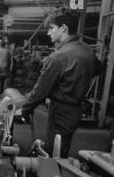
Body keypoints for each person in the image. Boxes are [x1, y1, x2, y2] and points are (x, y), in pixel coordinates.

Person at [20, 11, 99, 157]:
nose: (49, 32)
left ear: (63, 28)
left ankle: (52, 175)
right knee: (62, 145)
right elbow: (97, 71)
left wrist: (24, 108)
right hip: (76, 109)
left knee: (53, 150)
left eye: (51, 28)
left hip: (61, 110)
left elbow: (40, 91)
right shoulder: (88, 51)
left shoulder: (59, 57)